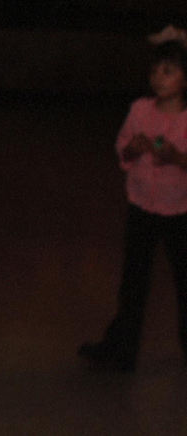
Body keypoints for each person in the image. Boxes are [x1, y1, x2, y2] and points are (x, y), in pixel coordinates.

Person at [78, 36, 187, 372]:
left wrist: (177, 157)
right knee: (133, 281)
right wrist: (136, 149)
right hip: (141, 207)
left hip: (180, 211)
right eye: (154, 70)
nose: (158, 77)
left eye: (168, 71)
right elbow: (123, 150)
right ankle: (121, 349)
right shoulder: (140, 110)